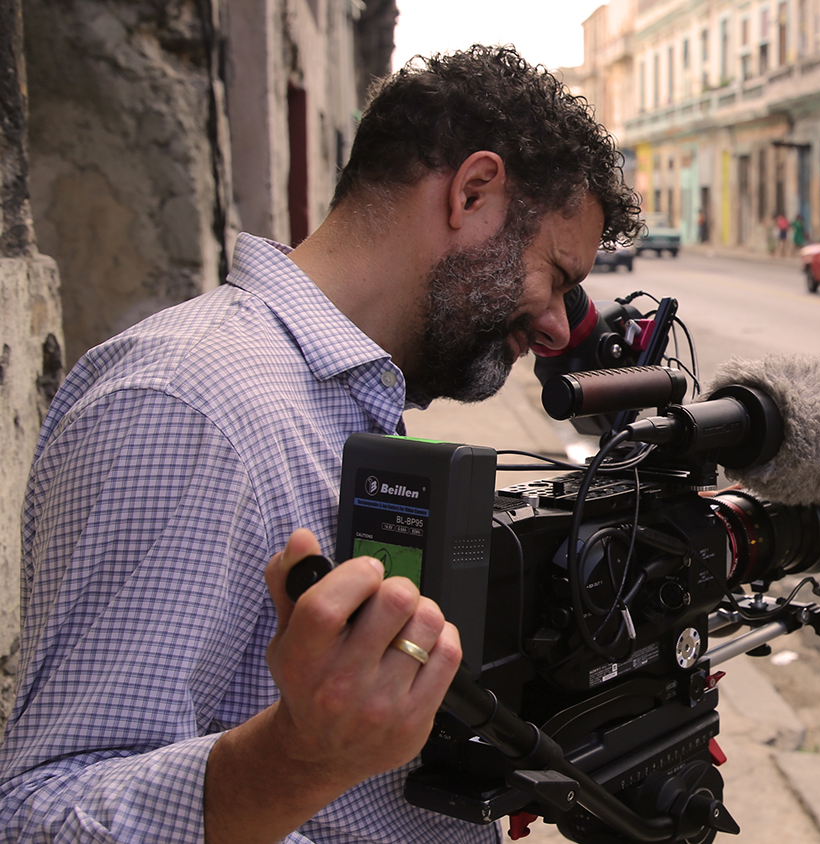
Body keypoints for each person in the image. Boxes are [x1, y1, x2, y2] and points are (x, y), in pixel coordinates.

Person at [0, 45, 639, 844]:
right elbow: (35, 814)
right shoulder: (190, 404)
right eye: (557, 274)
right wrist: (295, 761)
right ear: (473, 192)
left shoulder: (347, 400)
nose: (556, 328)